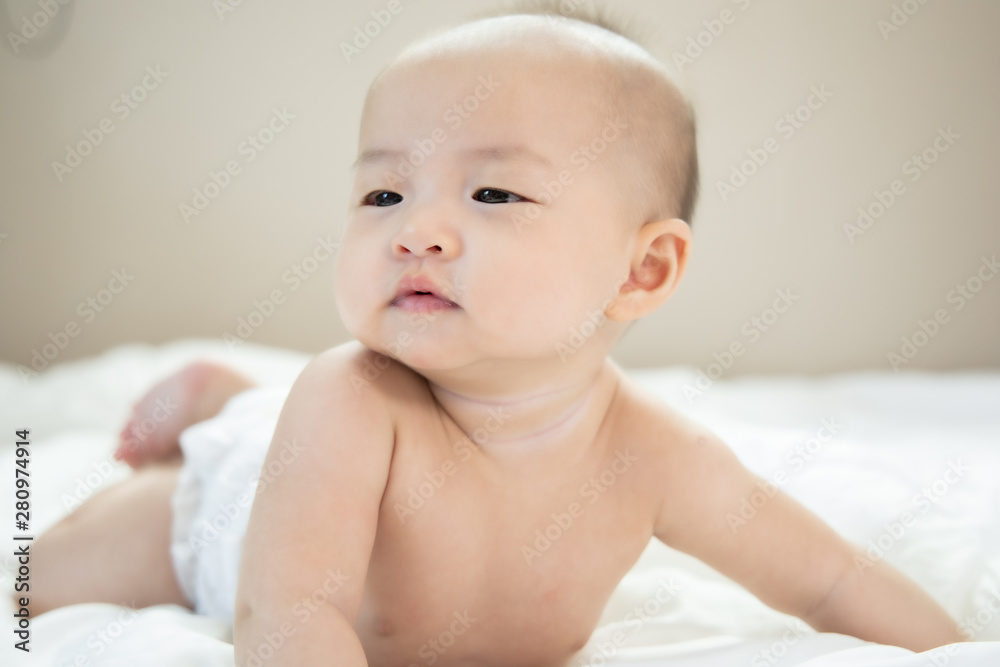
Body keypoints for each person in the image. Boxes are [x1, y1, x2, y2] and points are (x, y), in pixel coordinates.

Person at [30, 6, 966, 666]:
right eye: (384, 192)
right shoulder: (352, 397)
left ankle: (229, 395)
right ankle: (225, 412)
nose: (415, 229)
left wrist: (965, 653)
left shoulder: (656, 453)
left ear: (642, 271)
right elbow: (290, 608)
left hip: (294, 452)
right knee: (36, 582)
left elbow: (833, 579)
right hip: (227, 510)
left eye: (494, 193)